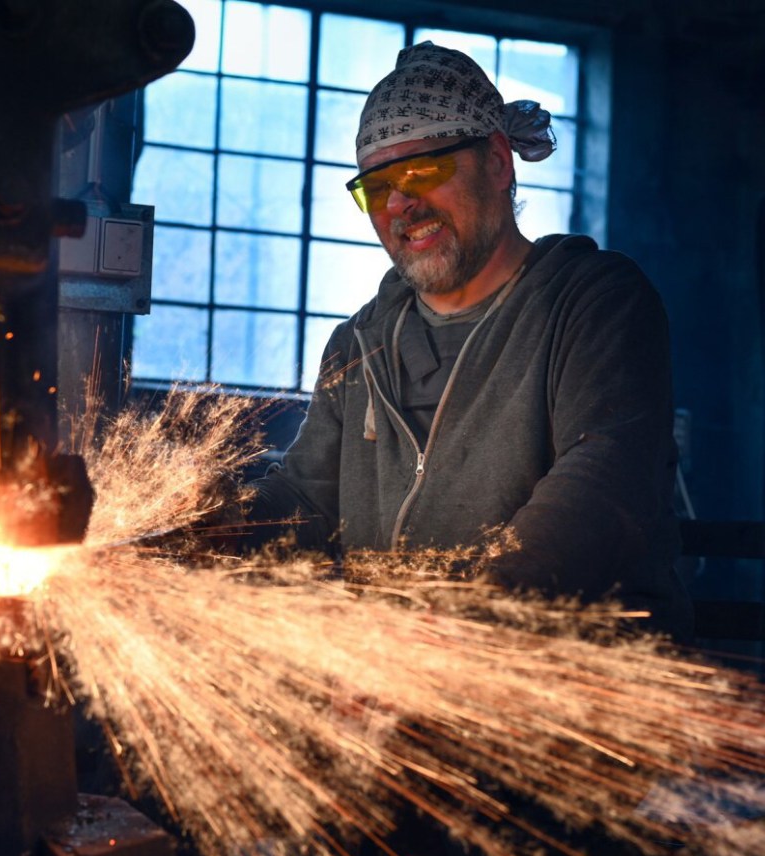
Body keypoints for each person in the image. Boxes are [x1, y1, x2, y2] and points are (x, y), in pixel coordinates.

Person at [243, 41, 693, 644]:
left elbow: (601, 481)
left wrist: (472, 616)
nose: (401, 204)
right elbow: (303, 500)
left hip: (563, 688)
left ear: (499, 162)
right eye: (377, 189)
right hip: (400, 678)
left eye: (423, 171)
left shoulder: (593, 302)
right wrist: (197, 531)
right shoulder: (358, 345)